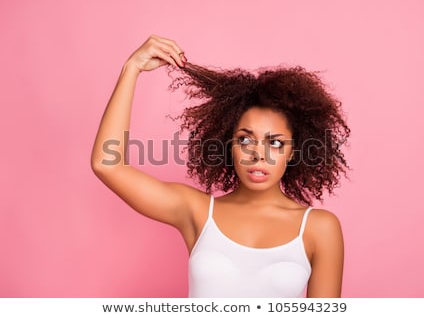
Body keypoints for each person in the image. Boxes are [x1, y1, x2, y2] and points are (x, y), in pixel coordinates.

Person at [91, 35, 350, 297]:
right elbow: (107, 165)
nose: (258, 154)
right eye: (245, 140)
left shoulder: (319, 228)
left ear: (293, 151)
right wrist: (131, 68)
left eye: (275, 143)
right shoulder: (198, 212)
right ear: (229, 145)